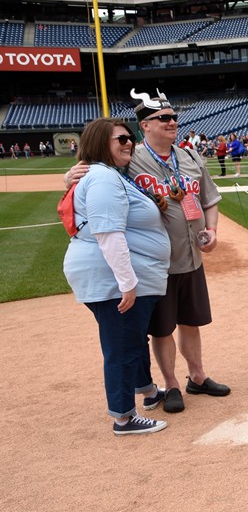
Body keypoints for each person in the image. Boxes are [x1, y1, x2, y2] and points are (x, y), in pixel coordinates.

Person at [66, 88, 230, 414]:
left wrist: (211, 231)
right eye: (164, 118)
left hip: (191, 256)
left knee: (191, 321)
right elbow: (87, 181)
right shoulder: (129, 158)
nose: (172, 122)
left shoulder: (191, 156)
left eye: (174, 118)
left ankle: (197, 375)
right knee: (162, 327)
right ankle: (170, 384)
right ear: (146, 126)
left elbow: (209, 200)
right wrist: (68, 177)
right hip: (156, 264)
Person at [63, 117, 170, 436]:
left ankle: (147, 391)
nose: (128, 143)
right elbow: (108, 233)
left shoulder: (109, 175)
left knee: (132, 338)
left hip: (116, 274)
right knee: (121, 344)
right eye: (119, 139)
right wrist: (128, 283)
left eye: (129, 139)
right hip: (111, 277)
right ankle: (124, 417)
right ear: (99, 144)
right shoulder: (104, 179)